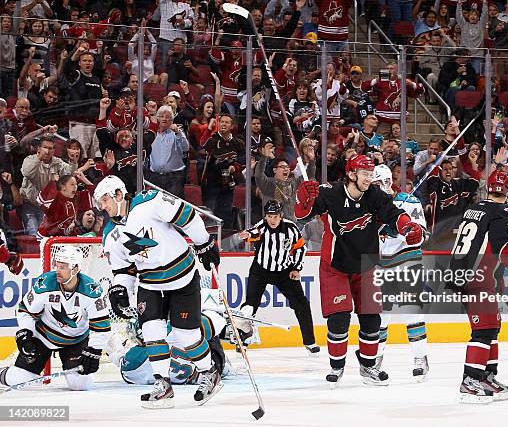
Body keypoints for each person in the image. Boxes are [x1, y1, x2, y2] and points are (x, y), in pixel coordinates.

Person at [295, 155, 423, 387]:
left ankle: (368, 365)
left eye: (370, 173)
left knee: (372, 318)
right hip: (335, 266)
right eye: (365, 173)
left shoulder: (374, 196)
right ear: (351, 174)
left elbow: (394, 215)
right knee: (339, 318)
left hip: (365, 265)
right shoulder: (331, 194)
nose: (369, 178)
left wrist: (407, 226)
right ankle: (337, 367)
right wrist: (302, 198)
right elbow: (302, 215)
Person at [94, 175, 221, 408]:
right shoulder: (110, 234)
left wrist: (204, 242)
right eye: (99, 203)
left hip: (182, 278)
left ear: (119, 195)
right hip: (150, 284)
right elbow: (124, 268)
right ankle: (163, 383)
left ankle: (209, 372)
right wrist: (120, 288)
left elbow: (187, 215)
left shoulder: (148, 202)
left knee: (187, 335)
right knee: (151, 332)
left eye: (104, 200)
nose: (102, 207)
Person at [448, 168, 508, 403]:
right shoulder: (505, 211)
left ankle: (486, 375)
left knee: (491, 326)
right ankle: (470, 381)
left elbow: (482, 242)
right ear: (507, 191)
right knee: (484, 329)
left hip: (464, 272)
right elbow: (505, 247)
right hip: (478, 275)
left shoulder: (474, 208)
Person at [0, 246, 108, 391]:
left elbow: (102, 327)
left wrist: (94, 351)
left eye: (63, 267)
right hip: (43, 337)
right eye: (57, 265)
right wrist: (25, 334)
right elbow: (25, 310)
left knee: (81, 384)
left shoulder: (92, 291)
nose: (57, 270)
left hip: (75, 341)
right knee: (19, 381)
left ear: (75, 269)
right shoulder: (45, 283)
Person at [237, 200, 319, 355]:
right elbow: (253, 232)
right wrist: (246, 234)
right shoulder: (261, 226)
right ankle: (243, 339)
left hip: (284, 271)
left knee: (301, 304)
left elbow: (301, 247)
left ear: (281, 216)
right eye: (269, 216)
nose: (272, 220)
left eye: (275, 216)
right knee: (249, 306)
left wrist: (296, 267)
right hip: (260, 271)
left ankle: (310, 342)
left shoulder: (291, 228)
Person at [371, 165, 430, 381]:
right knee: (379, 316)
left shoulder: (409, 201)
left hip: (407, 258)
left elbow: (422, 234)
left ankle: (420, 357)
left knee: (410, 310)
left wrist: (415, 234)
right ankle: (375, 359)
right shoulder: (367, 205)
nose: (373, 188)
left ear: (387, 183)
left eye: (377, 184)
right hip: (380, 263)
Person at [108, 288, 234, 385]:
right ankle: (234, 335)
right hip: (214, 365)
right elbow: (211, 324)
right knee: (198, 324)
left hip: (196, 378)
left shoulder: (133, 363)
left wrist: (115, 354)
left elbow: (125, 368)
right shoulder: (169, 330)